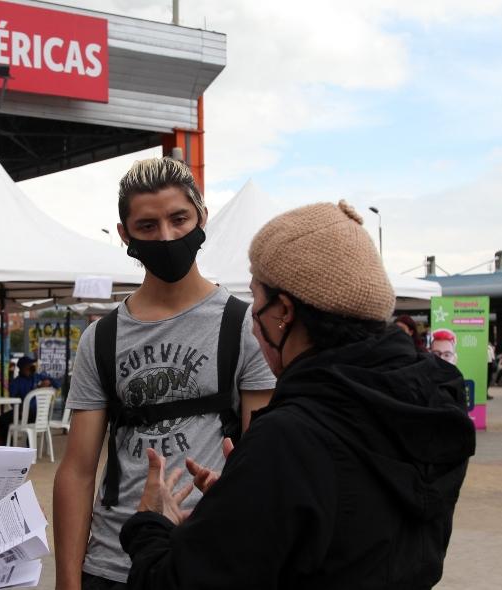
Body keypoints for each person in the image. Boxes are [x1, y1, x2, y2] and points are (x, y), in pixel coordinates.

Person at [119, 200, 476, 589]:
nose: (253, 321)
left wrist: (151, 527)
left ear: (284, 311)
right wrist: (245, 504)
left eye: (256, 300)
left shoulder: (289, 439)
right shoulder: (433, 402)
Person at [54, 157, 276, 590]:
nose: (168, 236)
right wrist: (67, 581)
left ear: (202, 217)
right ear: (125, 235)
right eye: (148, 226)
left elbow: (262, 458)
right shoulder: (101, 339)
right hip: (112, 564)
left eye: (179, 219)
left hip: (211, 560)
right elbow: (77, 471)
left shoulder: (245, 326)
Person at [0, 356, 51, 444]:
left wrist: (48, 381)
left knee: (3, 419)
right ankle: (9, 445)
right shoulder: (16, 382)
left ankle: (20, 446)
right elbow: (12, 401)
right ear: (22, 367)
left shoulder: (36, 377)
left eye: (31, 365)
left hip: (38, 413)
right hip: (24, 412)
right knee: (1, 420)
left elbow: (55, 382)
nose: (31, 366)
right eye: (29, 365)